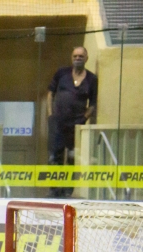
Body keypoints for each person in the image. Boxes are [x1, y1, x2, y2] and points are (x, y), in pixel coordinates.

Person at [46, 46, 98, 198]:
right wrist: (51, 115)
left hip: (76, 126)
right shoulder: (61, 73)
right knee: (54, 158)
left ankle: (68, 190)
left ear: (86, 58)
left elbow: (92, 104)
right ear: (71, 58)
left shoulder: (92, 79)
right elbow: (50, 94)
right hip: (58, 123)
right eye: (75, 56)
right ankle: (54, 190)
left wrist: (84, 119)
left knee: (72, 158)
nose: (77, 59)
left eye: (80, 56)